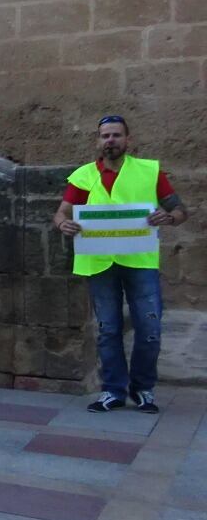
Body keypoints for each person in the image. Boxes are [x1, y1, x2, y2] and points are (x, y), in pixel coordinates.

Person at [55, 115, 188, 415]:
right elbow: (61, 213)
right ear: (97, 141)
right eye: (105, 136)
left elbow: (179, 210)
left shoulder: (149, 171)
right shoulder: (83, 176)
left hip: (139, 260)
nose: (110, 140)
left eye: (116, 135)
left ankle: (142, 388)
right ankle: (113, 390)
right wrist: (64, 225)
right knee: (108, 328)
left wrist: (169, 218)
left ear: (128, 140)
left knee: (150, 328)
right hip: (100, 262)